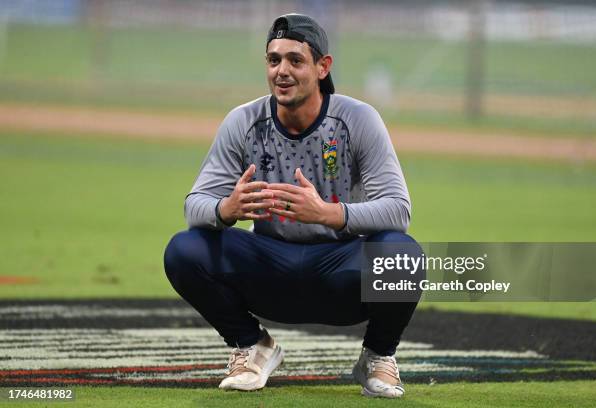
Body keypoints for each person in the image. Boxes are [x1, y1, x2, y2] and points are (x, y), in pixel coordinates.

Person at [164, 13, 424, 398]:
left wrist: (328, 214)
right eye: (274, 60)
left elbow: (399, 210)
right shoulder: (243, 121)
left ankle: (378, 357)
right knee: (184, 250)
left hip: (340, 269)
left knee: (403, 256)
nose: (282, 71)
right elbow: (194, 206)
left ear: (323, 67)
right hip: (271, 267)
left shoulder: (358, 119)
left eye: (295, 60)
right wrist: (227, 209)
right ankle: (252, 346)